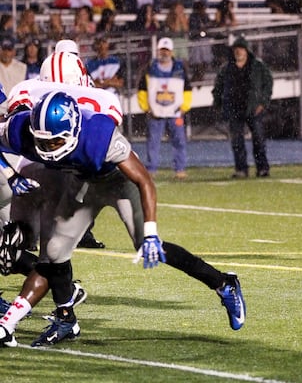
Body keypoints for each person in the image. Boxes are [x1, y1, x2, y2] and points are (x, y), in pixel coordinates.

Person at [0, 91, 246, 347]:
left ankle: (223, 283)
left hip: (119, 181)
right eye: (42, 141)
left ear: (73, 130)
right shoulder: (23, 130)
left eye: (54, 142)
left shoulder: (99, 137)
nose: (46, 148)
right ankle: (63, 320)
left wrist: (151, 230)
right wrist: (10, 173)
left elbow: (144, 180)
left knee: (147, 244)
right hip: (82, 181)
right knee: (54, 250)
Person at [212, 37, 272, 178]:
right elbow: (218, 87)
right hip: (234, 108)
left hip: (253, 107)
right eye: (236, 49)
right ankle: (241, 169)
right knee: (237, 141)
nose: (238, 51)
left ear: (246, 51)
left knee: (258, 139)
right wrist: (218, 104)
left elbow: (268, 84)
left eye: (241, 48)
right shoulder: (226, 68)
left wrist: (263, 103)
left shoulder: (257, 66)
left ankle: (262, 168)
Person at [137, 37, 192, 179]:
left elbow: (187, 89)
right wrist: (146, 108)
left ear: (171, 51)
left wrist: (184, 107)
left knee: (179, 141)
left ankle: (180, 169)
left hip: (175, 113)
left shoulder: (180, 68)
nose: (164, 53)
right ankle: (151, 169)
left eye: (167, 50)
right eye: (162, 50)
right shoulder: (150, 68)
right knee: (153, 142)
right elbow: (142, 89)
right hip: (155, 113)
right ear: (158, 51)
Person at [0, 37, 27, 108]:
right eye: (4, 50)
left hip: (15, 108)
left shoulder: (22, 67)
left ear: (14, 52)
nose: (6, 53)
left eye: (9, 50)